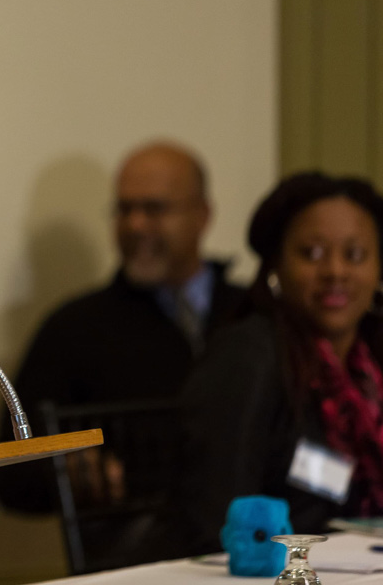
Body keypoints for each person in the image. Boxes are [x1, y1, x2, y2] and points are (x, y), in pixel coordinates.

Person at [0, 140, 246, 513]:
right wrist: (69, 474)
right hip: (131, 558)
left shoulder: (255, 313)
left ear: (203, 215)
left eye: (154, 209)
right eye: (124, 210)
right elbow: (8, 472)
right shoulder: (73, 329)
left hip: (259, 547)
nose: (136, 224)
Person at [164, 172, 383, 556]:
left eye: (355, 254)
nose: (335, 272)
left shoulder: (371, 362)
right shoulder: (247, 354)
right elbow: (213, 516)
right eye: (312, 253)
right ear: (275, 266)